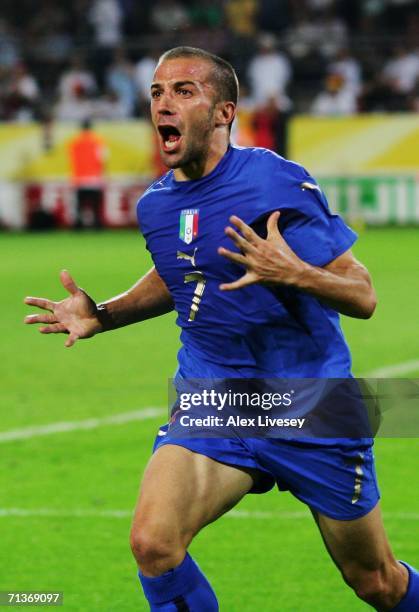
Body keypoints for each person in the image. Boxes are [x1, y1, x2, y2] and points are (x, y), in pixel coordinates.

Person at [24, 47, 419, 611]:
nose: (165, 103)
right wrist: (103, 314)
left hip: (311, 403)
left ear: (223, 112)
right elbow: (182, 272)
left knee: (376, 581)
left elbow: (364, 295)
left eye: (184, 91)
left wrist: (295, 272)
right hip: (217, 398)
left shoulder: (272, 182)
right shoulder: (157, 205)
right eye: (157, 92)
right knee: (153, 543)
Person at [68, 119, 107, 229]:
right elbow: (102, 159)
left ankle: (78, 225)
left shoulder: (74, 143)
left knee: (80, 204)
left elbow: (72, 159)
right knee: (95, 204)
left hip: (79, 178)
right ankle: (97, 224)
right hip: (94, 177)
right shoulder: (97, 141)